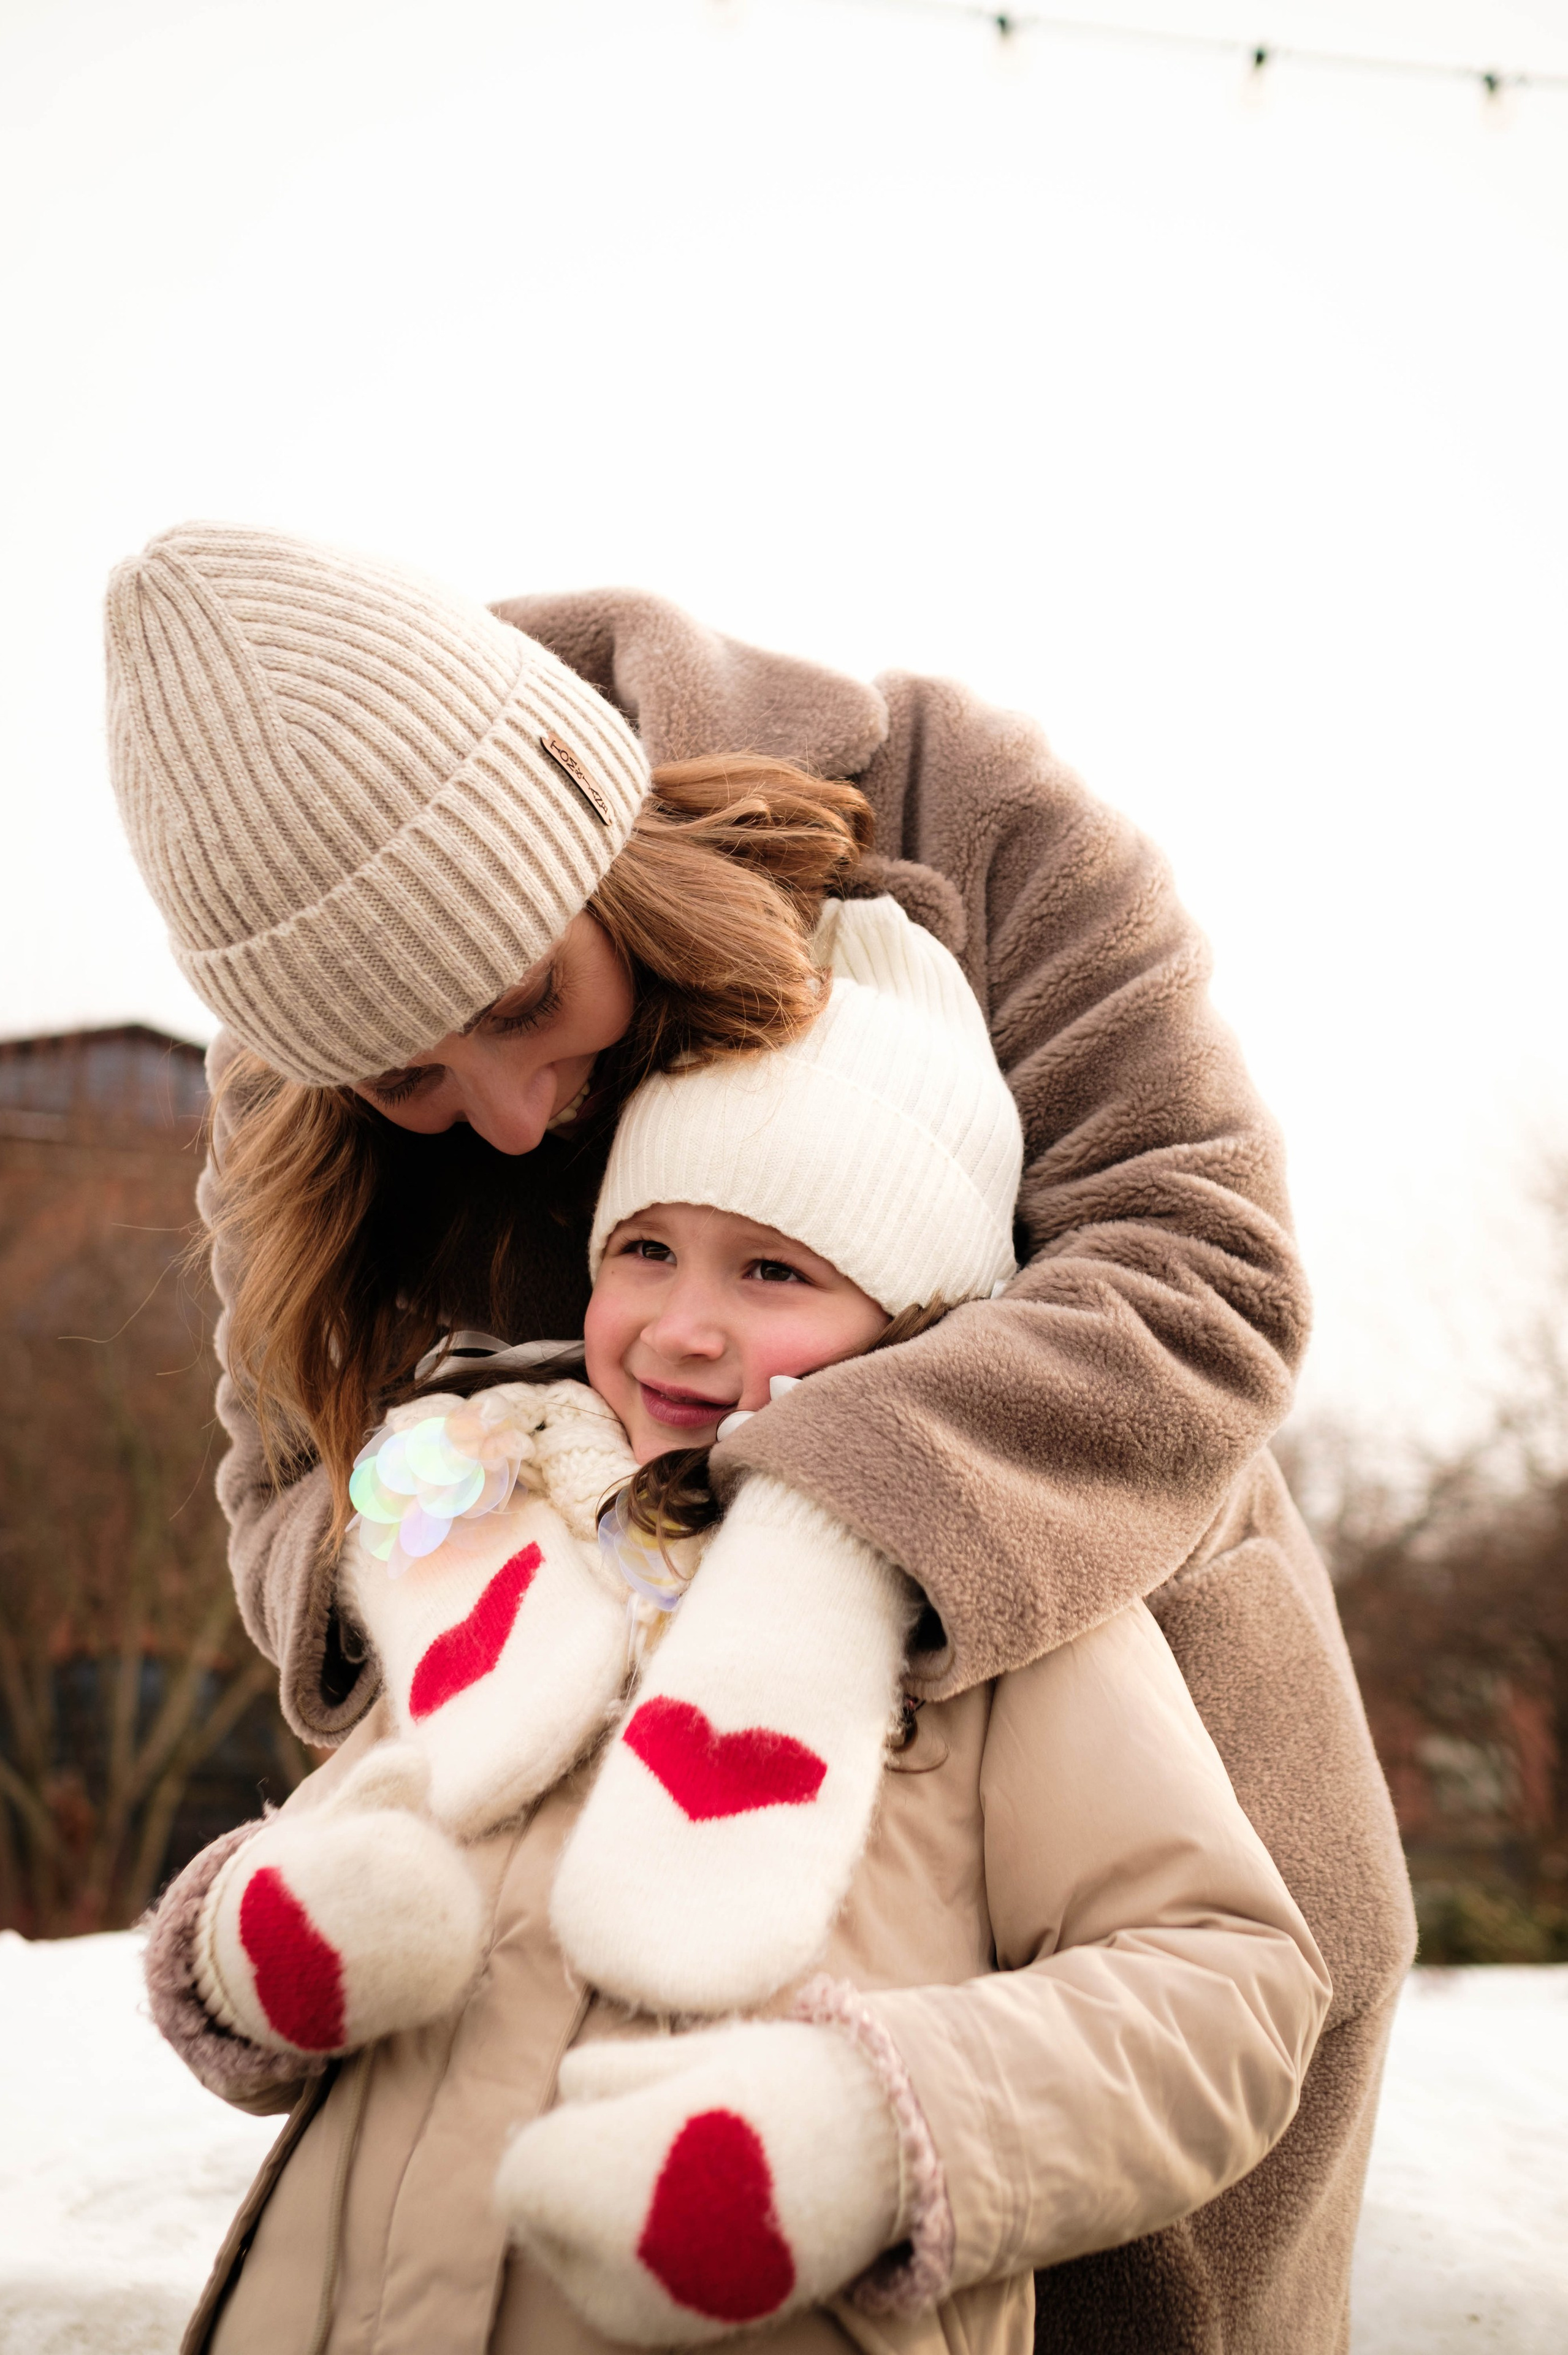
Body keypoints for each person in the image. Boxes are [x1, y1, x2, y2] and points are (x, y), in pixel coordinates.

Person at [106, 522, 1412, 2350]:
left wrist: (792, 1524)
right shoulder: (294, 1070)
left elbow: (1201, 1269)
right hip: (565, 1860)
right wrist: (484, 1563)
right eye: (406, 1078)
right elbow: (291, 1485)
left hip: (1092, 1711)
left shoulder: (971, 807)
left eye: (517, 1004)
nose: (500, 1116)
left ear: (592, 823)